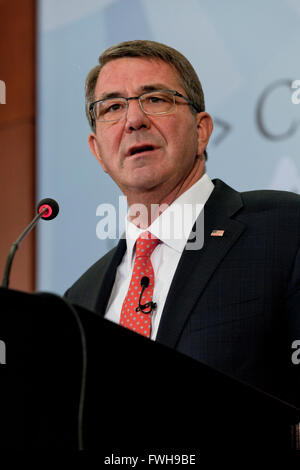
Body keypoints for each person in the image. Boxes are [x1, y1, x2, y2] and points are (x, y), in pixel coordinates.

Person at [65, 40, 300, 409]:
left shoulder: (284, 228)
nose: (133, 120)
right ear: (98, 151)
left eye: (156, 99)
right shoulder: (78, 298)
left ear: (201, 130)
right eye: (112, 107)